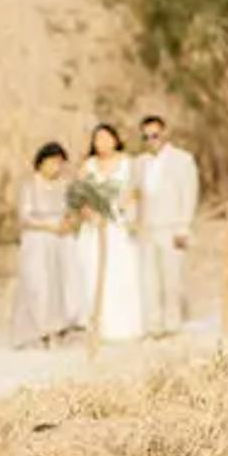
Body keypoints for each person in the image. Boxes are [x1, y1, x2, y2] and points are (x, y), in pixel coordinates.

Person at [77, 122, 148, 345]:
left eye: (106, 138)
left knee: (121, 273)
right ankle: (97, 325)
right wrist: (90, 213)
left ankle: (124, 327)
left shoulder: (127, 163)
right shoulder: (88, 166)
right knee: (93, 272)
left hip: (119, 225)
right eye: (98, 139)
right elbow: (80, 197)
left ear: (115, 139)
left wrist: (122, 210)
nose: (102, 143)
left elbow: (137, 193)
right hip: (95, 228)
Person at [12, 142, 85, 345]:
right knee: (38, 283)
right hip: (38, 239)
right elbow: (24, 217)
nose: (56, 167)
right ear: (41, 162)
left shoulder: (64, 186)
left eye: (60, 163)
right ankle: (38, 329)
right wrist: (48, 226)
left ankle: (59, 327)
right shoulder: (29, 186)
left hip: (61, 239)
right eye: (53, 162)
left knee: (61, 282)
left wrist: (69, 223)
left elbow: (72, 211)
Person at [136, 112, 201, 337]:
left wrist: (183, 227)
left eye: (155, 135)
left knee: (172, 279)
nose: (151, 140)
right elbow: (136, 195)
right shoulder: (140, 163)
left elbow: (189, 194)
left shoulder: (182, 160)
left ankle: (173, 324)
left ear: (164, 134)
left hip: (172, 228)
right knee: (150, 279)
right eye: (146, 137)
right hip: (147, 228)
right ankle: (154, 325)